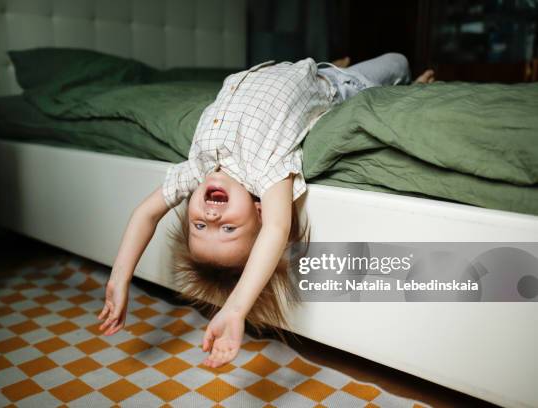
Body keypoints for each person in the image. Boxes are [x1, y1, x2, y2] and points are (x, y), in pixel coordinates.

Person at [98, 53, 435, 368]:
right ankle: (409, 86)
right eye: (228, 230)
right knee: (397, 62)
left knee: (335, 65)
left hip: (288, 68)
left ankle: (335, 60)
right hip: (338, 86)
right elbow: (275, 230)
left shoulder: (196, 170)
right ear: (258, 211)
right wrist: (234, 309)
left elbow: (146, 214)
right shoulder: (267, 172)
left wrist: (119, 277)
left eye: (199, 226)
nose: (212, 219)